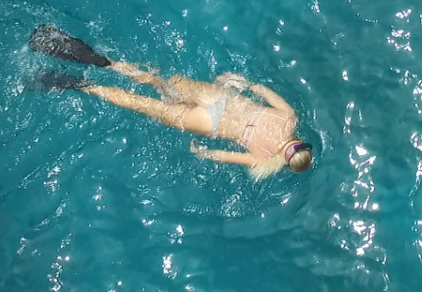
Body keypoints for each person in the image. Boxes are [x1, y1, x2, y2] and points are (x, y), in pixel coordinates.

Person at [27, 25, 312, 179]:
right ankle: (80, 85)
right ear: (285, 162)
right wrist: (202, 152)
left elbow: (259, 89)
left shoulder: (290, 118)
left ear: (300, 142)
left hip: (219, 97)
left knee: (157, 81)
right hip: (208, 123)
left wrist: (241, 82)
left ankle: (105, 63)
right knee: (142, 104)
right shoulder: (263, 159)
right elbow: (220, 156)